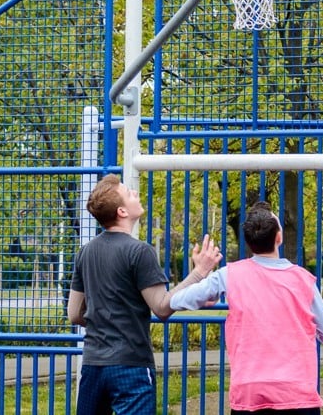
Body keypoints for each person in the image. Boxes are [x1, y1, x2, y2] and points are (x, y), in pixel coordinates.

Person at [67, 174, 222, 415]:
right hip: (130, 364)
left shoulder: (84, 253)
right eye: (129, 193)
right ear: (121, 211)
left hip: (93, 364)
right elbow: (161, 307)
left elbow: (74, 314)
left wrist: (106, 320)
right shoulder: (140, 251)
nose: (136, 194)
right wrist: (199, 272)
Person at [170, 202, 323, 415]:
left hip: (249, 391)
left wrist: (200, 275)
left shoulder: (229, 275)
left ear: (249, 242)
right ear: (279, 237)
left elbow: (175, 300)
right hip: (296, 393)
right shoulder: (302, 279)